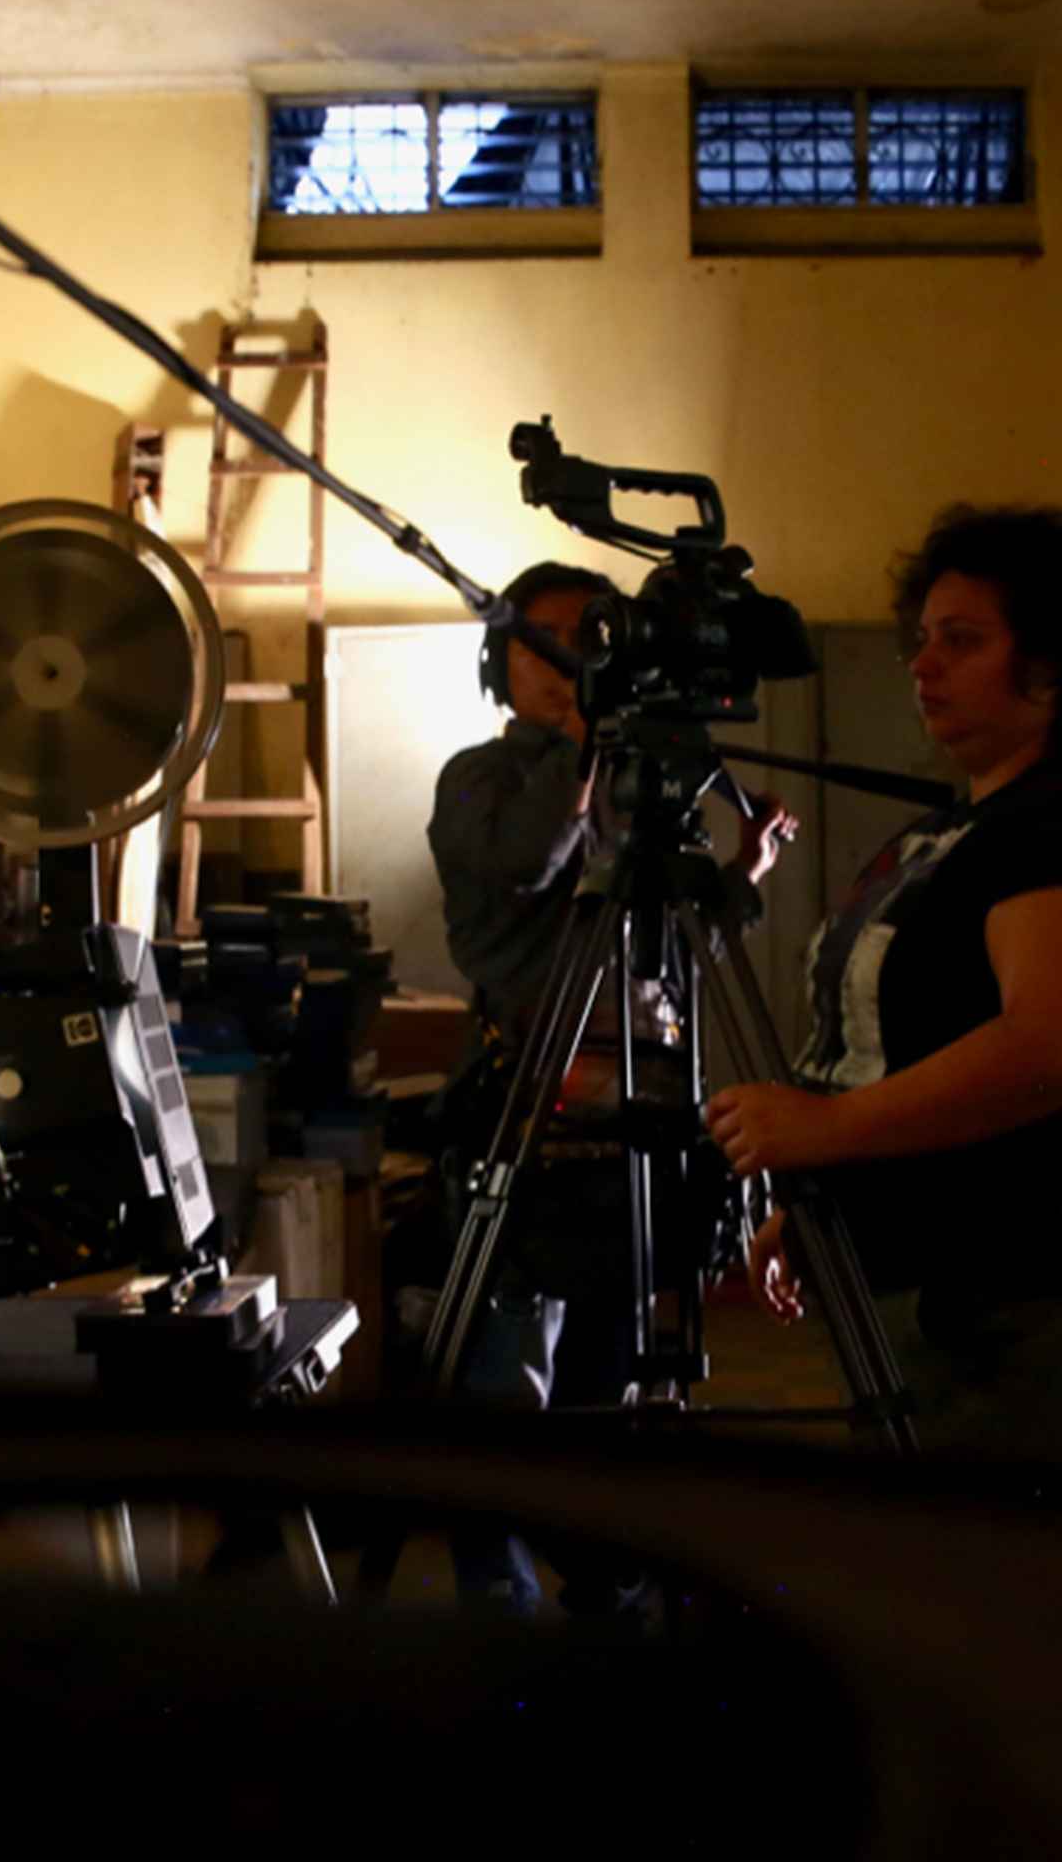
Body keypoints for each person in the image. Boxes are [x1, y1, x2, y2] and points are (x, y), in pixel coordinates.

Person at [702, 507, 1062, 1480]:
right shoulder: (965, 825)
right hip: (928, 1293)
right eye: (923, 639)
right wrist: (833, 1197)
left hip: (1018, 1301)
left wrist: (827, 1134)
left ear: (1054, 661)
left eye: (963, 640)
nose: (923, 664)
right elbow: (897, 1043)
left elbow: (1056, 1043)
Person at [423, 558, 791, 1610]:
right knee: (505, 1382)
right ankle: (499, 1610)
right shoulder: (479, 778)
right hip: (527, 1104)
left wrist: (744, 873)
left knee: (615, 1372)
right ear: (501, 663)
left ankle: (615, 1595)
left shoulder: (627, 784)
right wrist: (588, 743)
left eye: (589, 637)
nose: (566, 660)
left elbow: (665, 944)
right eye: (542, 643)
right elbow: (531, 863)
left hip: (635, 1097)